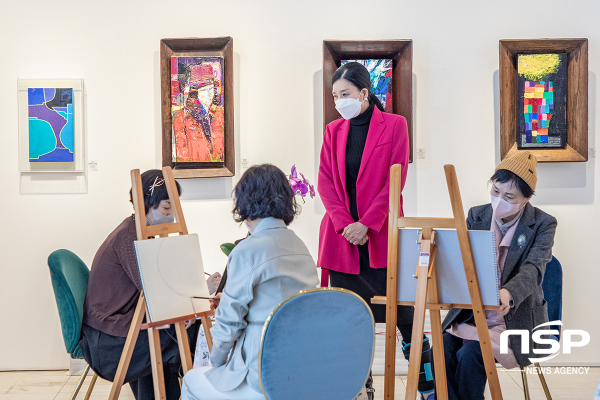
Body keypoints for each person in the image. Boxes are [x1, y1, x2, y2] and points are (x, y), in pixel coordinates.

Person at [318, 62, 434, 399]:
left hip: (382, 237)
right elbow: (325, 182)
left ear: (365, 93)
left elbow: (394, 183)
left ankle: (427, 388)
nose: (340, 101)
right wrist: (346, 225)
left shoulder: (395, 125)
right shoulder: (332, 131)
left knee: (407, 316)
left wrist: (367, 224)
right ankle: (361, 388)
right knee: (350, 323)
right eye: (336, 95)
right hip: (342, 242)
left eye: (346, 94)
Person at [181, 164, 319, 400]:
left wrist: (215, 363)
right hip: (301, 371)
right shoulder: (300, 246)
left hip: (261, 376)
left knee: (194, 380)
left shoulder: (247, 250)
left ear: (245, 203)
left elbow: (228, 326)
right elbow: (278, 302)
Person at [442, 151, 557, 400]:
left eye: (509, 197)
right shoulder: (477, 216)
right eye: (495, 192)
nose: (499, 201)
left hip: (516, 319)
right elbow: (465, 262)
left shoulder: (543, 223)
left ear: (526, 199)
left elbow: (534, 268)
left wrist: (508, 292)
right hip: (472, 315)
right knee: (439, 351)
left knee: (470, 355)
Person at [79, 170, 198, 400]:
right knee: (186, 334)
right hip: (109, 344)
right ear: (147, 204)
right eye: (166, 208)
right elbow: (156, 293)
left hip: (119, 329)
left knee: (169, 334)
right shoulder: (130, 237)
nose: (172, 215)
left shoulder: (137, 232)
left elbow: (159, 289)